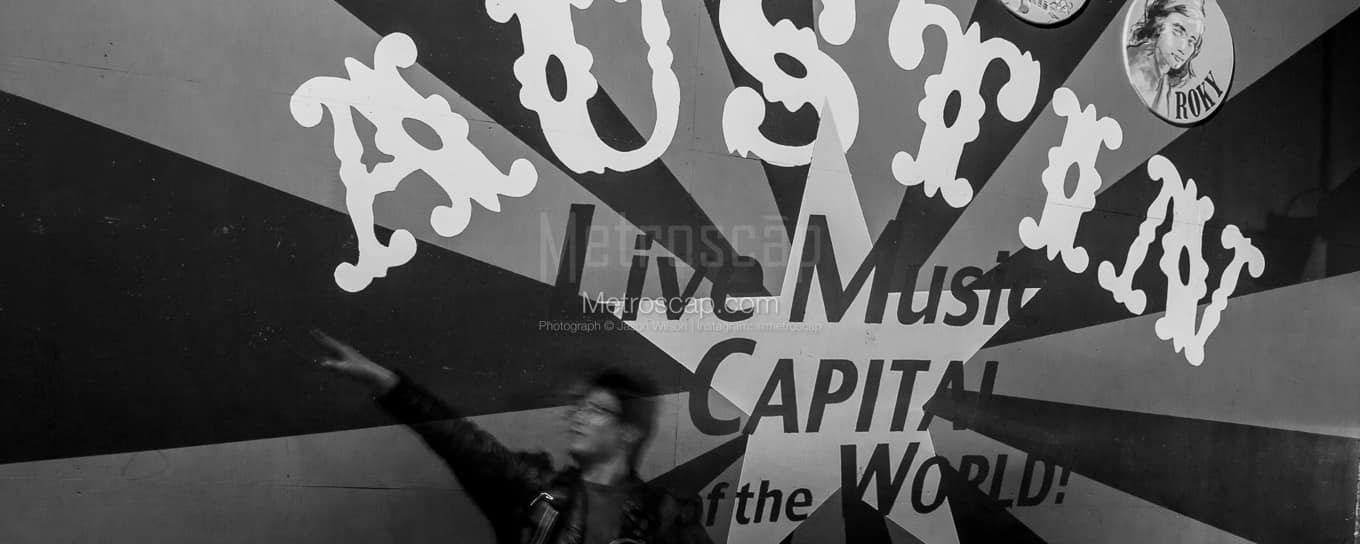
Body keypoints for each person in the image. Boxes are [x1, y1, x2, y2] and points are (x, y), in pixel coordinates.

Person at [312, 331, 712, 544]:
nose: (578, 416)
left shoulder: (664, 517)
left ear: (628, 431)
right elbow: (462, 443)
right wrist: (388, 384)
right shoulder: (536, 492)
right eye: (578, 407)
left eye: (596, 410)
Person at [1125, 0, 1206, 116]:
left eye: (1191, 41)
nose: (1183, 48)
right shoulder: (1138, 66)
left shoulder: (1163, 80)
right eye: (1178, 32)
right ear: (1159, 24)